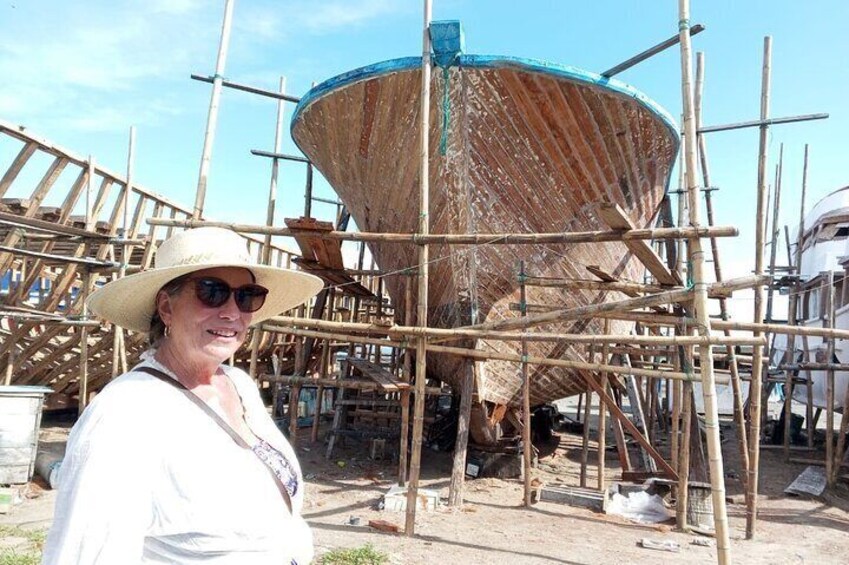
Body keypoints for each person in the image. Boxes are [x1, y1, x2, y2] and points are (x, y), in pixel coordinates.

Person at [43, 227, 324, 564]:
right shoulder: (126, 414)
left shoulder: (238, 384)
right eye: (212, 291)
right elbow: (85, 552)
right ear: (166, 307)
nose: (233, 312)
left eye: (247, 296)